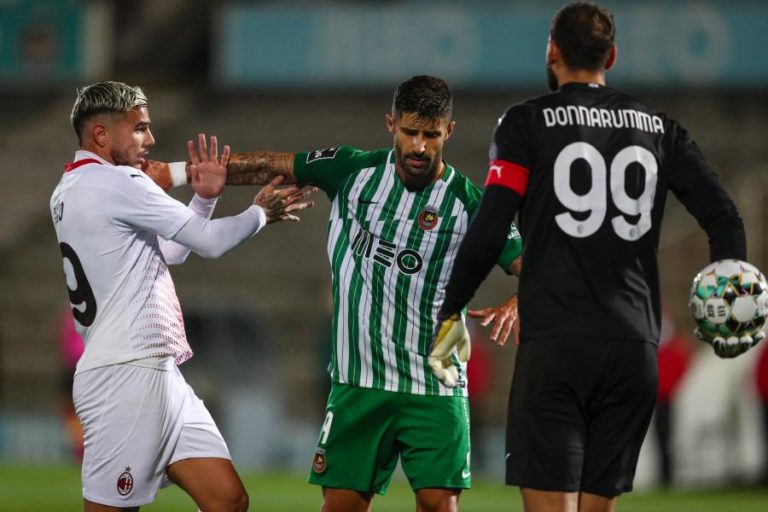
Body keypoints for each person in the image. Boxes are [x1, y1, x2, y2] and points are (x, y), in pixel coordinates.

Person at [434, 3, 758, 512]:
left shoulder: (527, 123)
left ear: (552, 51)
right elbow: (725, 219)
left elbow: (492, 228)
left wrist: (451, 308)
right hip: (633, 347)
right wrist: (733, 299)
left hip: (558, 344)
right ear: (613, 54)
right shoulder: (659, 127)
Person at [149, 74, 523, 512]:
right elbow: (274, 164)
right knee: (341, 507)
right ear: (391, 124)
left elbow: (530, 264)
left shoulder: (469, 204)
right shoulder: (352, 170)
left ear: (449, 132)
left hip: (436, 384)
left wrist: (521, 298)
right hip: (357, 384)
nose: (419, 146)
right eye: (410, 132)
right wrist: (172, 173)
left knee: (441, 506)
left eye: (431, 135)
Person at [51, 80, 314, 512]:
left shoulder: (72, 189)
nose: (150, 139)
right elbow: (208, 244)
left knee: (228, 499)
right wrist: (260, 214)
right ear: (101, 134)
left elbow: (170, 251)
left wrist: (204, 199)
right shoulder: (117, 184)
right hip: (124, 375)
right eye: (139, 129)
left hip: (155, 371)